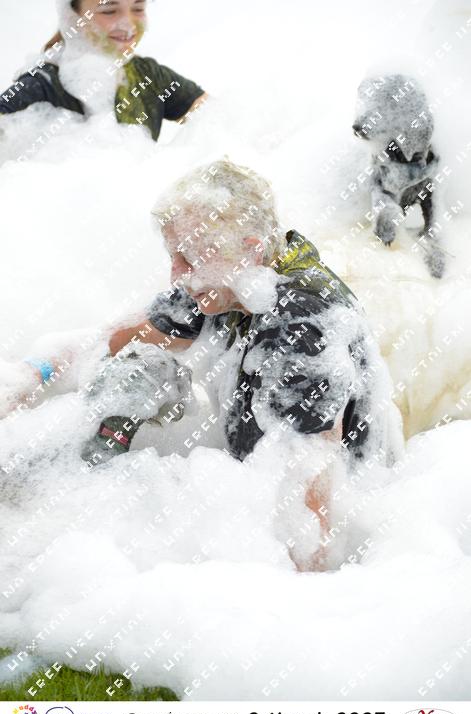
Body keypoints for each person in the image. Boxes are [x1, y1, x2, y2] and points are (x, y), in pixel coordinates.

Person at [4, 160, 404, 571]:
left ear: (250, 248)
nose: (176, 275)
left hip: (351, 523)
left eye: (188, 258)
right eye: (173, 256)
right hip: (256, 493)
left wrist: (298, 591)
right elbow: (114, 339)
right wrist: (29, 375)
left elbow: (312, 504)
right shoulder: (227, 284)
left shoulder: (301, 321)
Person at [0, 0, 207, 141]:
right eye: (108, 10)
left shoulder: (149, 75)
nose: (128, 25)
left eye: (138, 8)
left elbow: (216, 119)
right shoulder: (42, 85)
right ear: (72, 16)